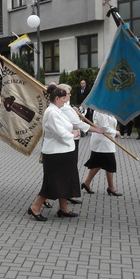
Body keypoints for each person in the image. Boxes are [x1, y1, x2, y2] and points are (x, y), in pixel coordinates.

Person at [26, 84, 101, 221]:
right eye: (64, 98)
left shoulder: (58, 110)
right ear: (57, 98)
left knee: (64, 181)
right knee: (53, 182)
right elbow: (60, 133)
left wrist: (83, 129)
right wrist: (73, 134)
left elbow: (71, 124)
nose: (66, 100)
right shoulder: (52, 113)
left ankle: (63, 208)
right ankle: (35, 207)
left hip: (63, 152)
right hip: (56, 153)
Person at [81, 110, 122, 196]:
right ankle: (111, 187)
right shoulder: (100, 111)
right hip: (103, 142)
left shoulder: (108, 110)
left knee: (98, 163)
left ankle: (86, 183)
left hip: (106, 141)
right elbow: (103, 127)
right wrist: (115, 132)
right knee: (110, 164)